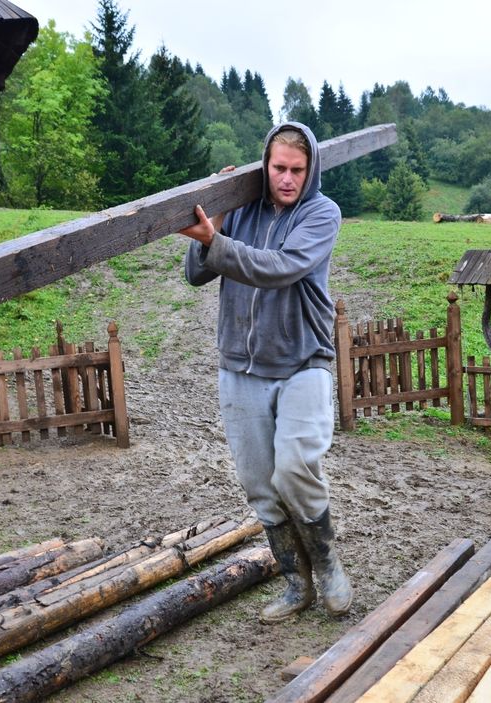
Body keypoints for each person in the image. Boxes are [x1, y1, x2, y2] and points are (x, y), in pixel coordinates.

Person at [179, 122, 352, 623]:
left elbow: (279, 267)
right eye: (279, 168)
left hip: (303, 359)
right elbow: (196, 273)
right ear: (265, 164)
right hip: (240, 364)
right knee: (260, 484)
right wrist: (218, 217)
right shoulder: (243, 210)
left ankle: (328, 565)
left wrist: (217, 241)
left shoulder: (322, 213)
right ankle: (295, 586)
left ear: (311, 169)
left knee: (295, 469)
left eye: (298, 170)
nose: (287, 179)